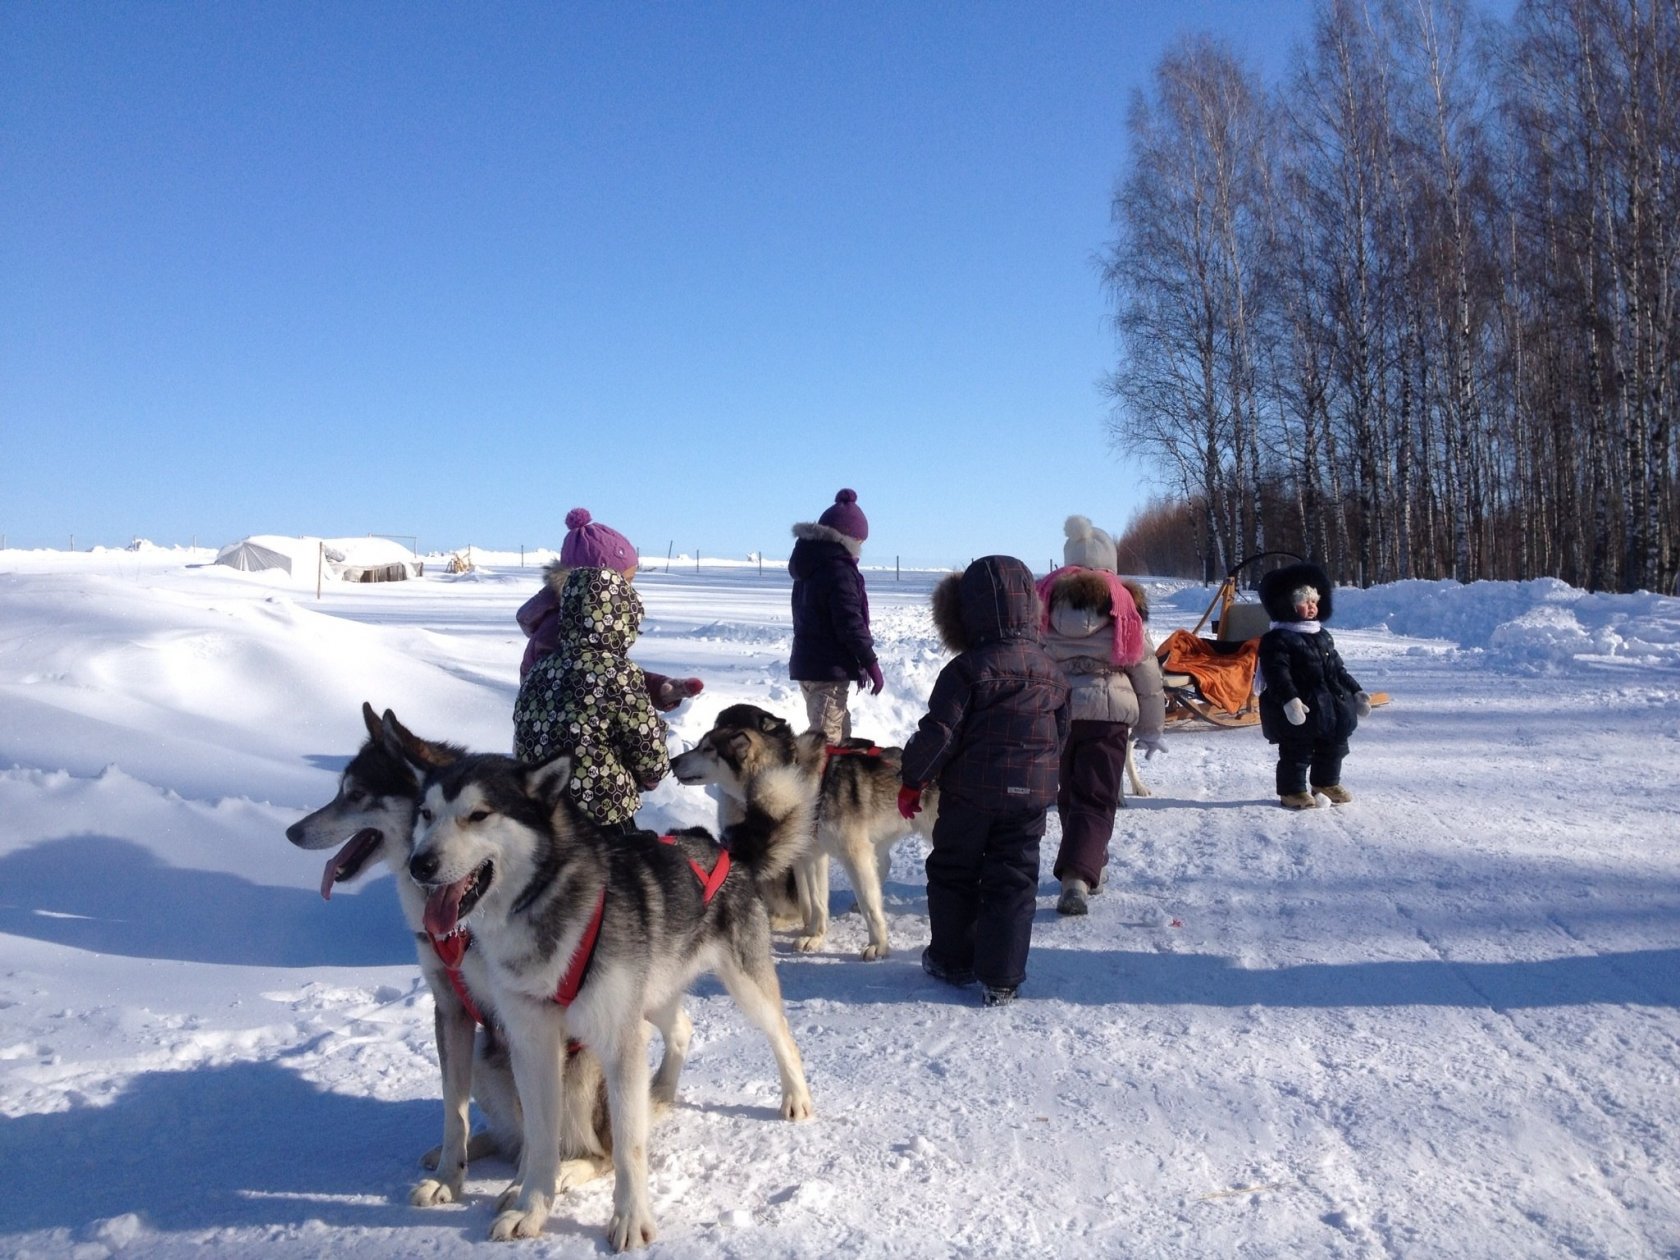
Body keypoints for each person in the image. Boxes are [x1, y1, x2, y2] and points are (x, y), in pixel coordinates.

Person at [898, 555, 1070, 1007]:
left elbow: (939, 733)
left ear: (965, 612)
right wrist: (1042, 778)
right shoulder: (1052, 671)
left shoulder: (966, 670)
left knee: (954, 870)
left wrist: (913, 780)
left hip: (968, 796)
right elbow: (1061, 734)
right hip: (1029, 801)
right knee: (1013, 879)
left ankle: (952, 960)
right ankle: (1003, 977)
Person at [1035, 516, 1166, 916]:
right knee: (1098, 796)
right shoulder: (1122, 606)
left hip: (1057, 712)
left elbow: (1032, 658)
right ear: (1109, 564)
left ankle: (1089, 864)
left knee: (1071, 793)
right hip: (1108, 716)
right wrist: (1151, 727)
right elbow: (1146, 673)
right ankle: (1079, 873)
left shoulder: (1043, 603)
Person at [512, 565, 671, 830]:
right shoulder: (618, 672)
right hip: (601, 810)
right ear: (622, 619)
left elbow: (523, 732)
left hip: (540, 810)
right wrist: (654, 774)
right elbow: (645, 742)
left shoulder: (540, 668)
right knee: (615, 869)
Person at [516, 507, 700, 710]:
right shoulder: (560, 630)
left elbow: (609, 675)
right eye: (625, 582)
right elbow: (589, 685)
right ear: (598, 584)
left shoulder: (591, 624)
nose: (630, 592)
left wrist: (657, 689)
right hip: (563, 736)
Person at [1255, 560, 1372, 809]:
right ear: (1287, 604)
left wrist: (1356, 690)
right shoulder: (1277, 639)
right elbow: (1277, 674)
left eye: (1315, 602)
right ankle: (1292, 790)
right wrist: (1289, 700)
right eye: (1304, 602)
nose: (1311, 607)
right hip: (1300, 706)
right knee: (1297, 751)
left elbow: (1337, 669)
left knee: (1335, 746)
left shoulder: (1321, 634)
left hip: (1330, 705)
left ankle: (1326, 783)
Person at [788, 488, 882, 742]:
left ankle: (845, 781)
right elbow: (850, 622)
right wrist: (870, 662)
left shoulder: (809, 565)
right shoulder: (839, 571)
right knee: (826, 746)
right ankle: (822, 783)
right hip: (828, 669)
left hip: (809, 664)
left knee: (840, 738)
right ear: (850, 538)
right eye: (861, 541)